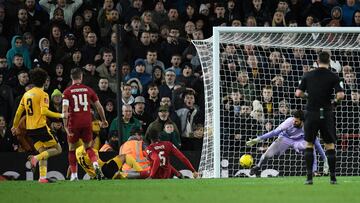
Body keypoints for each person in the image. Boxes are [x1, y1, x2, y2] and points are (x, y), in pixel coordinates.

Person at [295, 51, 345, 185]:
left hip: (311, 113)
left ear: (317, 61)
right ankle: (333, 178)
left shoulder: (308, 75)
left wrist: (308, 97)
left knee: (309, 144)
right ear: (329, 61)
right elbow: (340, 95)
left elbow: (298, 93)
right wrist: (334, 102)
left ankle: (309, 178)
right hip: (326, 112)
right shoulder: (334, 76)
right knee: (329, 145)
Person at [11, 68, 64, 183]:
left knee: (43, 151)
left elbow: (18, 113)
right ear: (45, 81)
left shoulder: (26, 94)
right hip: (41, 128)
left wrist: (15, 126)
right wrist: (61, 115)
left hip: (30, 130)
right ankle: (35, 158)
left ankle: (42, 178)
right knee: (58, 149)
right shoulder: (43, 94)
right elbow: (44, 112)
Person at [246, 110, 328, 177]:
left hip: (299, 141)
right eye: (293, 119)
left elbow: (317, 143)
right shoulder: (289, 121)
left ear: (302, 121)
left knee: (310, 146)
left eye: (296, 121)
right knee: (267, 155)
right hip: (285, 138)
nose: (294, 122)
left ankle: (314, 171)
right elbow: (274, 132)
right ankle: (258, 166)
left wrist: (325, 160)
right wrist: (258, 139)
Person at [62, 68, 109, 181]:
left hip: (73, 123)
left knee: (72, 149)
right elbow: (99, 107)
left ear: (71, 77)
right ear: (81, 77)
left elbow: (64, 110)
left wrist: (65, 125)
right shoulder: (88, 90)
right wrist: (104, 120)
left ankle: (74, 176)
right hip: (87, 123)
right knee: (88, 147)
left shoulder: (67, 92)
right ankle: (96, 166)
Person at [75, 145, 149, 180]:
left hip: (97, 173)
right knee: (119, 175)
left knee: (123, 157)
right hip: (103, 171)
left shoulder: (77, 151)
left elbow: (73, 164)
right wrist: (102, 176)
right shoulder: (92, 151)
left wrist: (70, 176)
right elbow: (96, 163)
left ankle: (140, 173)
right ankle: (142, 174)